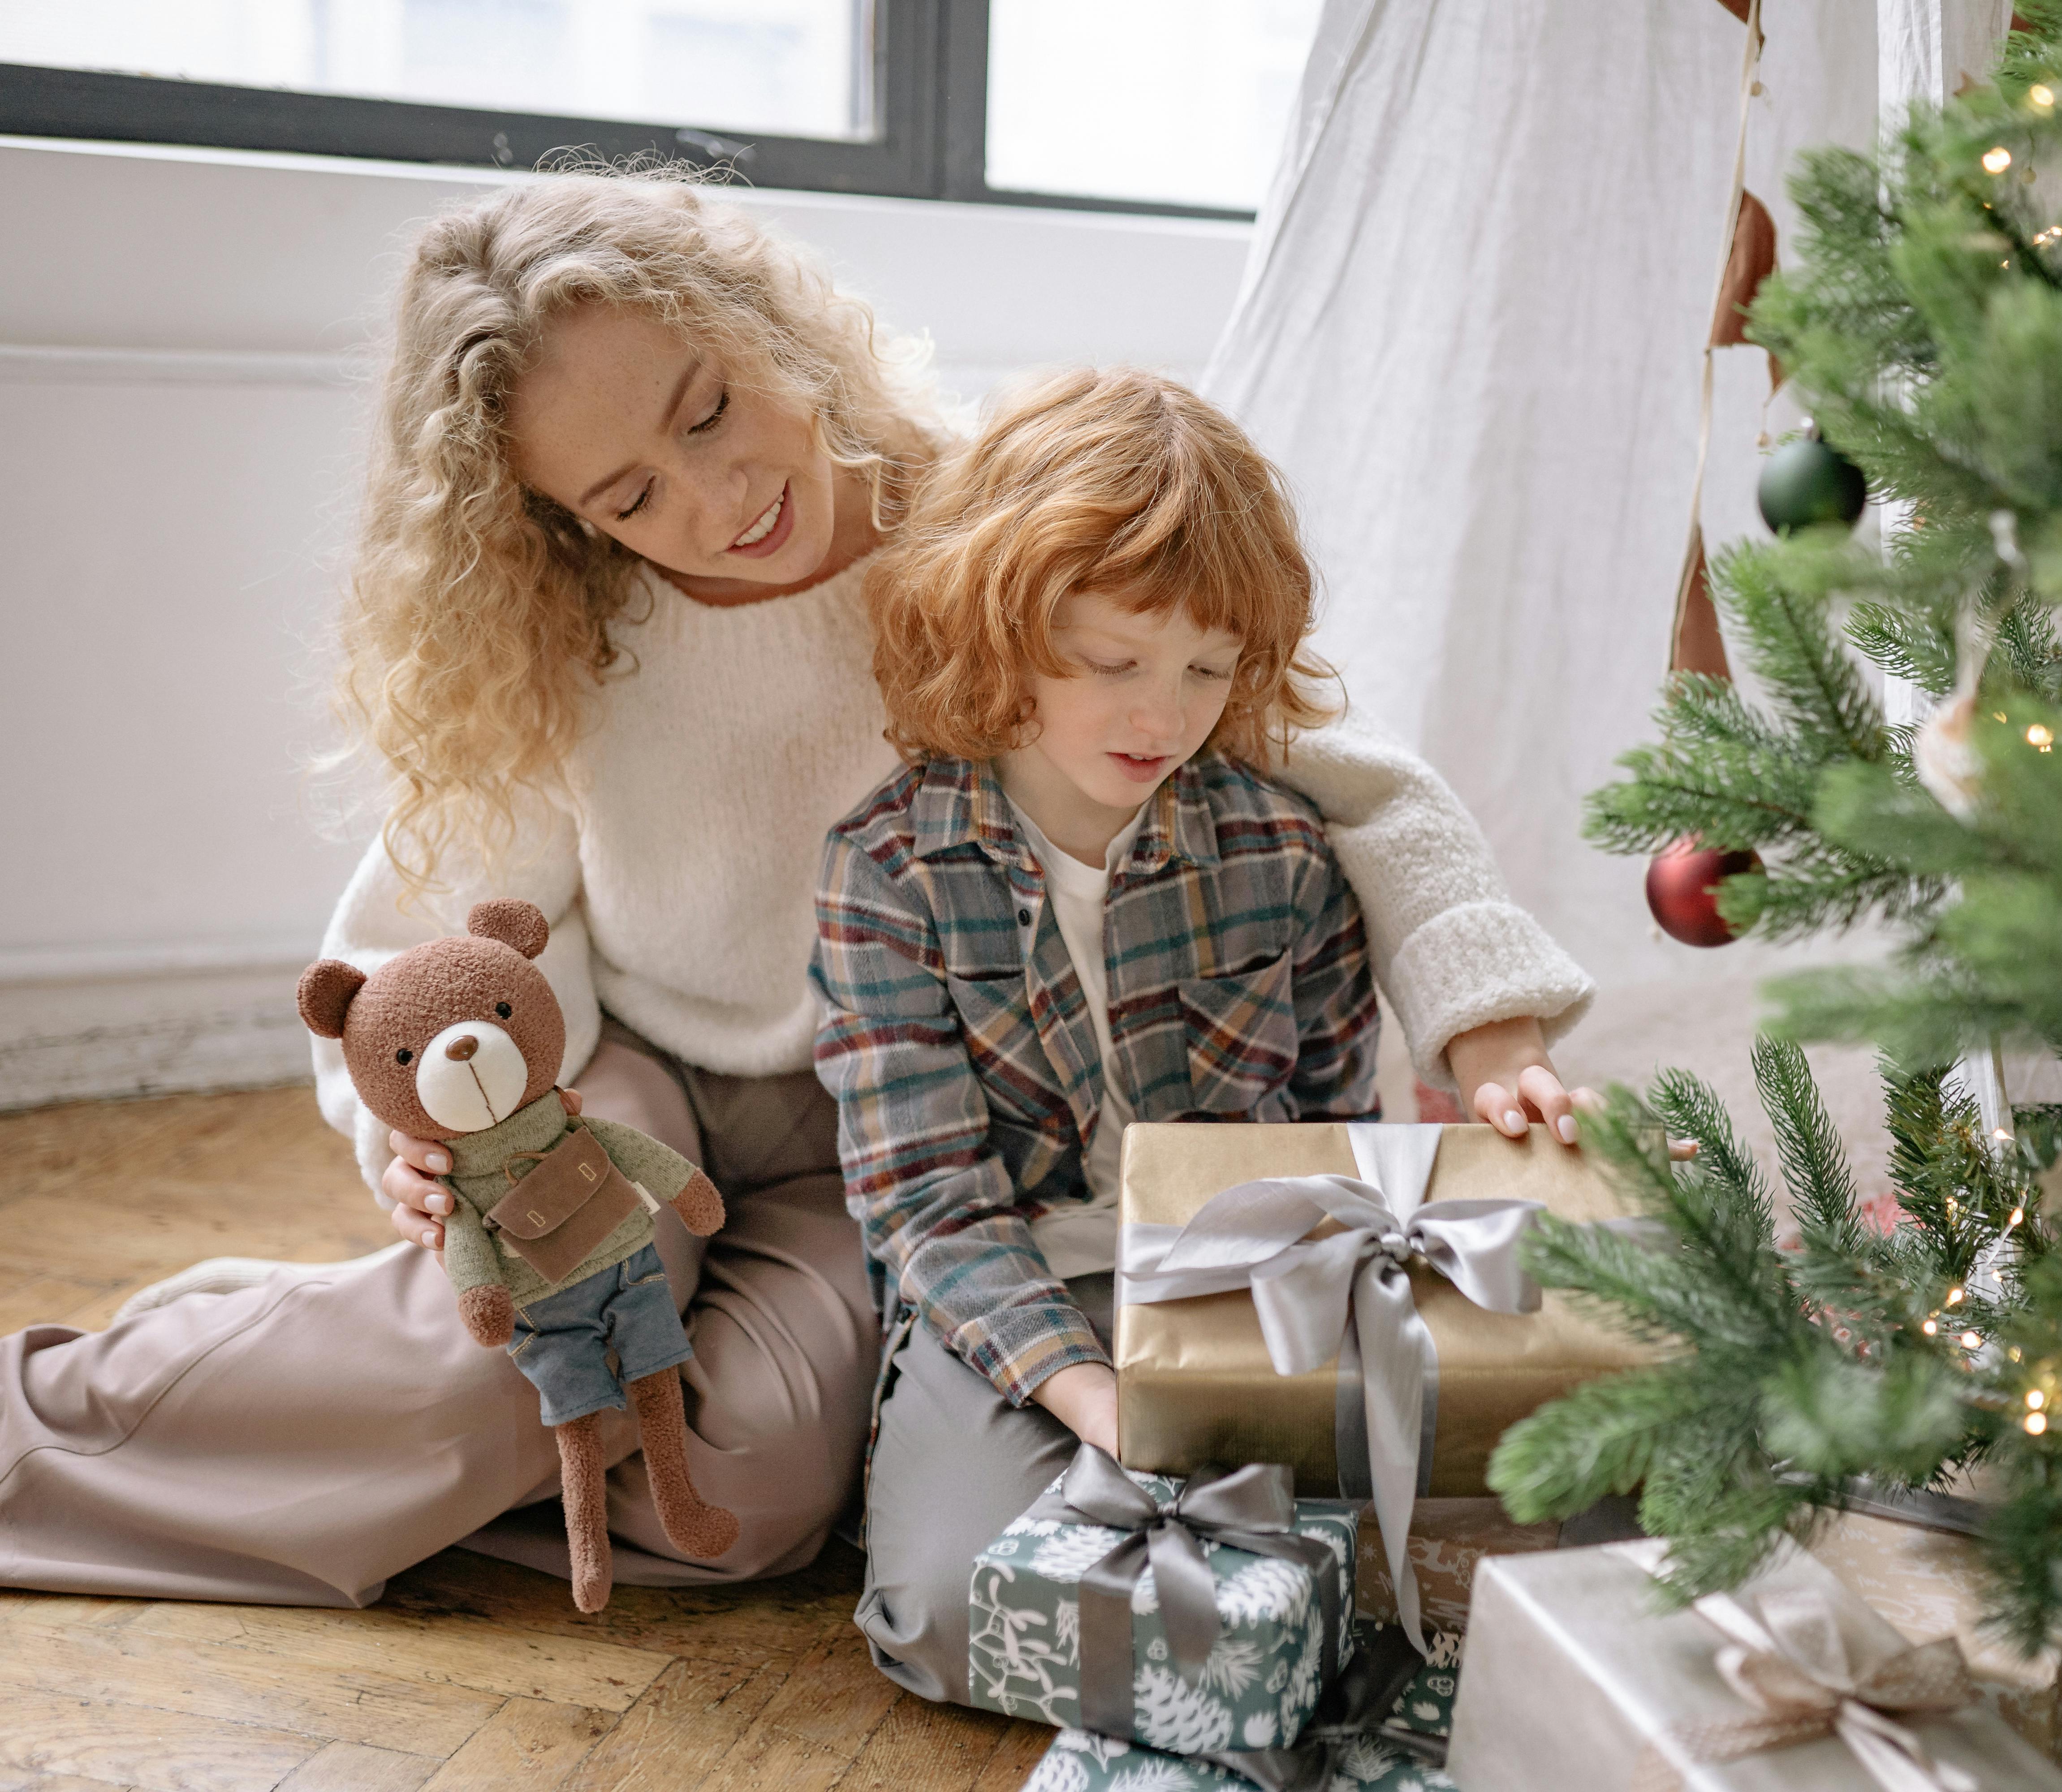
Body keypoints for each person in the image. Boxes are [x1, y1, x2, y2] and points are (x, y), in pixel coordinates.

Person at [0, 170, 1595, 1608]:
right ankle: (59, 1426)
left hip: (889, 1127)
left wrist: (1491, 1033)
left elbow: (1354, 768)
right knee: (517, 1363)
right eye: (625, 494)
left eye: (706, 411)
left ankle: (411, 1439)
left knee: (752, 1497)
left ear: (767, 326)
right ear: (563, 524)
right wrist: (413, 1137)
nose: (709, 503)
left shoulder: (988, 515)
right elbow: (421, 951)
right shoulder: (568, 641)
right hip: (641, 1083)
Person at [815, 369, 1387, 1697]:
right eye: (1115, 662)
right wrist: (1098, 1403)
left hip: (1235, 1282)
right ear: (1003, 631)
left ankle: (1270, 1653)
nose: (1164, 716)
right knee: (949, 1616)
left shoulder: (1284, 853)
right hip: (1009, 1296)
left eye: (1206, 668)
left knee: (1429, 1522)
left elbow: (1327, 1132)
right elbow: (928, 1210)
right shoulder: (891, 868)